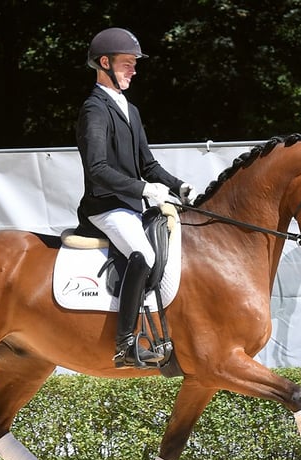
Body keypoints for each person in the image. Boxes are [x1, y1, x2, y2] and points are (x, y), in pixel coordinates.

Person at [75, 27, 199, 369]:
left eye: (134, 64)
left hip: (130, 206)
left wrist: (179, 186)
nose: (134, 69)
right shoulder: (94, 109)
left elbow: (148, 164)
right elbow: (98, 168)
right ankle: (124, 344)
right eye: (128, 63)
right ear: (105, 63)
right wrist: (144, 189)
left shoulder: (129, 109)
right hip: (105, 207)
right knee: (142, 254)